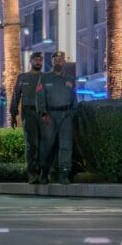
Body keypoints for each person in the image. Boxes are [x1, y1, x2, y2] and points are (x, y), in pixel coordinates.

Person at [37, 51, 76, 184]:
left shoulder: (70, 79)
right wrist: (43, 113)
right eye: (56, 60)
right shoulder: (44, 78)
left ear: (64, 62)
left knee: (66, 145)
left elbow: (74, 97)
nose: (58, 61)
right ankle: (44, 173)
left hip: (66, 116)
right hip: (50, 116)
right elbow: (39, 96)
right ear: (52, 62)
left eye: (60, 59)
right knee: (47, 145)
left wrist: (73, 114)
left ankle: (64, 174)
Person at [11, 52, 44, 184]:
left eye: (40, 60)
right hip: (29, 114)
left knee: (44, 144)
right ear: (31, 61)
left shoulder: (46, 77)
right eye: (36, 59)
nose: (38, 62)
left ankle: (43, 173)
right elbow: (16, 96)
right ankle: (32, 173)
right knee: (31, 145)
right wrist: (13, 114)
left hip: (43, 114)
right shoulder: (23, 77)